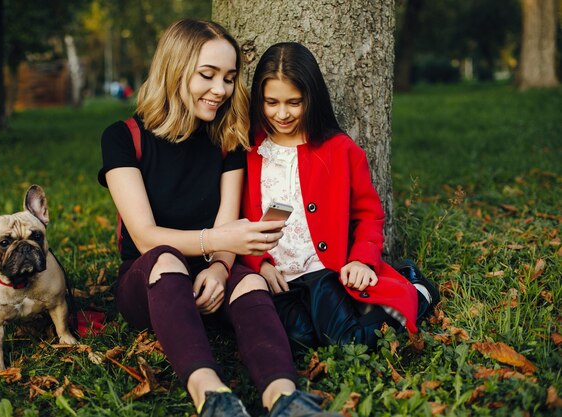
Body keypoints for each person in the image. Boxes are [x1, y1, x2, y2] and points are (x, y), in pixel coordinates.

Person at [99, 21, 339, 417]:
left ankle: (284, 395)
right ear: (174, 69)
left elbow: (228, 221)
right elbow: (145, 237)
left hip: (213, 266)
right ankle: (211, 396)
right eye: (207, 76)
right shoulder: (123, 137)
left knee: (251, 284)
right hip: (148, 278)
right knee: (165, 257)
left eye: (229, 78)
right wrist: (217, 244)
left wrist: (222, 269)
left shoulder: (227, 135)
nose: (221, 90)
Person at [241, 42, 440, 353]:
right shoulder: (249, 151)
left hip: (323, 270)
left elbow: (369, 213)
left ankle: (416, 292)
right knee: (298, 342)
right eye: (271, 102)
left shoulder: (339, 150)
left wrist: (362, 258)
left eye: (294, 102)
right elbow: (239, 218)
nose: (282, 113)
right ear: (259, 100)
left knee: (344, 342)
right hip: (276, 277)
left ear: (312, 98)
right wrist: (259, 264)